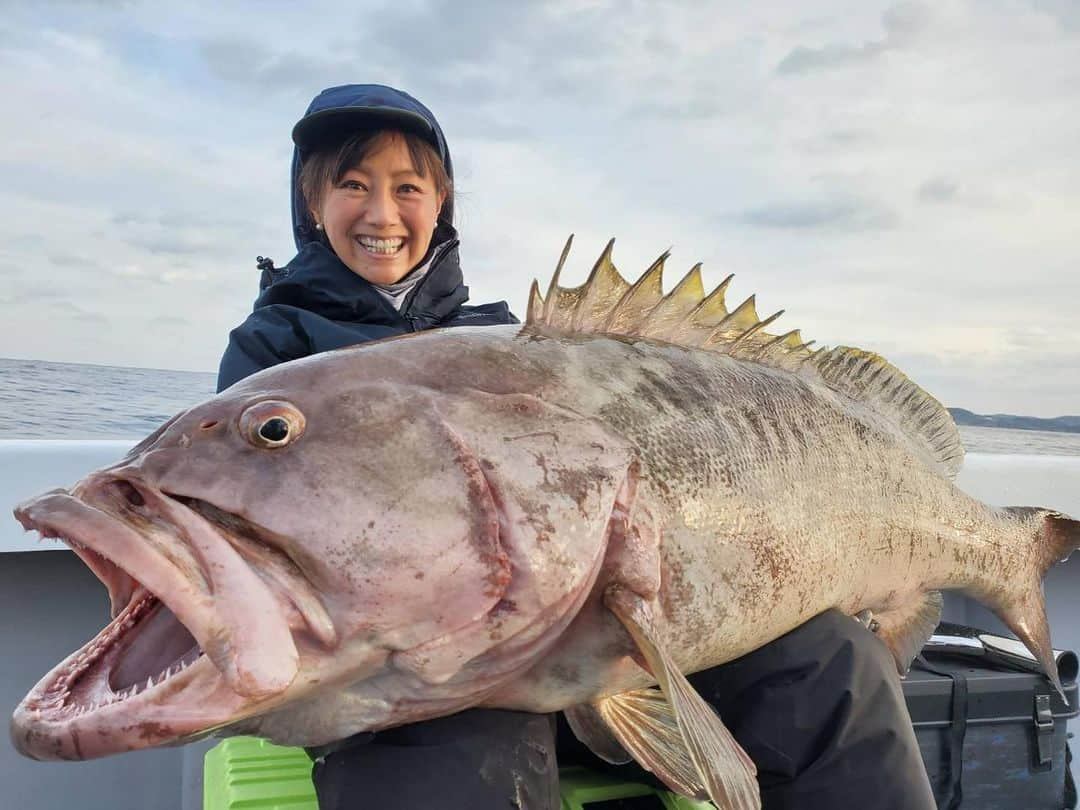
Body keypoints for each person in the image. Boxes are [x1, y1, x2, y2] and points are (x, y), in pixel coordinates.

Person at [217, 83, 936, 810]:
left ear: (441, 205)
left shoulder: (508, 338)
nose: (381, 212)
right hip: (408, 674)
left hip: (603, 651)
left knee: (831, 664)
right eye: (352, 185)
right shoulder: (273, 356)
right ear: (313, 203)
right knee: (460, 752)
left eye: (408, 187)